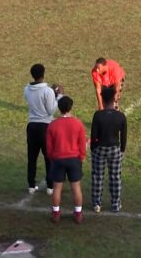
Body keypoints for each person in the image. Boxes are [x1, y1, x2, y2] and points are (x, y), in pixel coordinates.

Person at [23, 63, 63, 195]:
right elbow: (51, 110)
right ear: (43, 74)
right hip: (45, 126)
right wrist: (59, 96)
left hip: (32, 125)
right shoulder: (48, 91)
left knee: (32, 157)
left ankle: (31, 185)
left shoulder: (27, 89)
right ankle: (50, 186)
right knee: (48, 156)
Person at [46, 96, 87, 224]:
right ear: (71, 107)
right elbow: (82, 144)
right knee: (76, 187)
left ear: (59, 108)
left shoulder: (53, 125)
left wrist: (53, 157)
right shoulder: (78, 123)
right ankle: (78, 214)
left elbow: (49, 146)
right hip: (74, 159)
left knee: (57, 187)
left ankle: (56, 213)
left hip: (58, 159)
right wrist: (81, 157)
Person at [90, 87, 127, 213]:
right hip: (115, 149)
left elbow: (94, 136)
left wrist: (93, 148)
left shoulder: (98, 115)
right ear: (114, 99)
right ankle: (115, 204)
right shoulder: (120, 116)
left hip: (100, 148)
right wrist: (121, 150)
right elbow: (124, 136)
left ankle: (96, 204)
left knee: (97, 176)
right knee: (115, 177)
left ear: (103, 100)